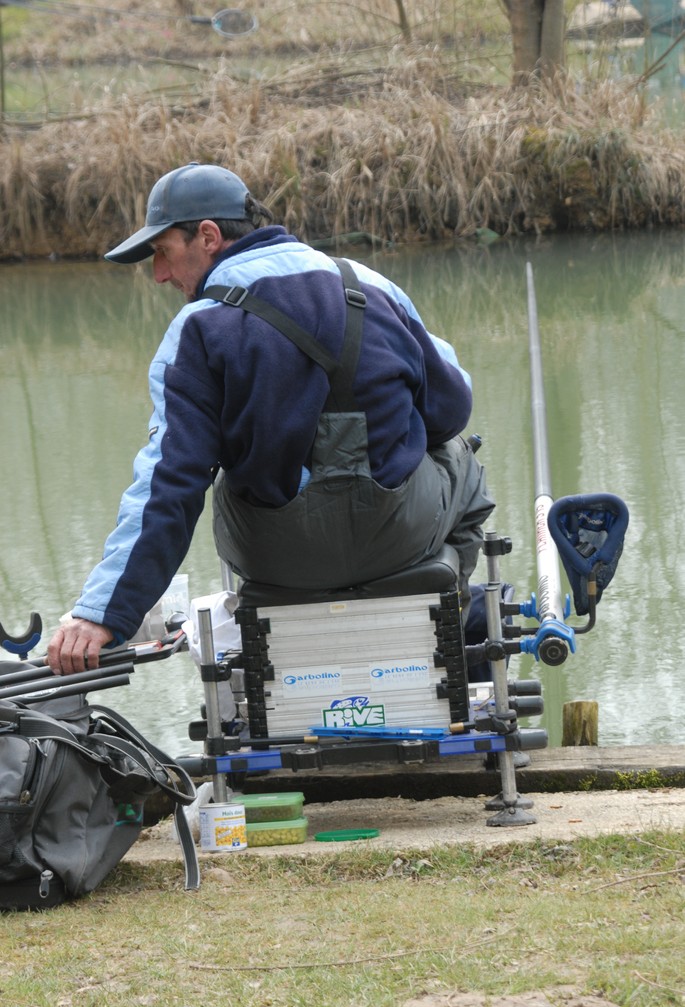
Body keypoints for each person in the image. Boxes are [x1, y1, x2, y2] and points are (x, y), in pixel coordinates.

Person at [47, 162, 494, 675]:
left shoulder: (195, 331)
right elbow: (450, 408)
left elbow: (170, 482)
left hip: (278, 558)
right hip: (401, 537)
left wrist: (103, 615)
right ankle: (448, 613)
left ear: (209, 237)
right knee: (460, 454)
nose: (161, 275)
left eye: (164, 253)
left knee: (220, 474)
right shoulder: (370, 284)